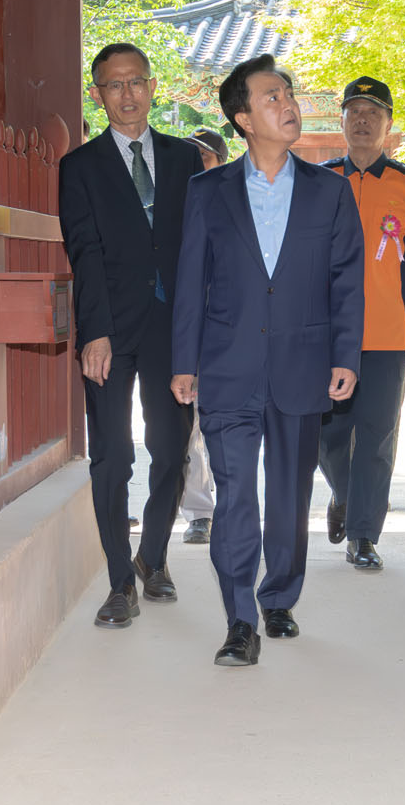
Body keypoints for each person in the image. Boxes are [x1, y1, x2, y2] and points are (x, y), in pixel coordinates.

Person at [171, 53, 364, 667]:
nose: (288, 104)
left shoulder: (330, 191)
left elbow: (346, 280)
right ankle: (239, 620)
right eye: (271, 97)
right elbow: (190, 281)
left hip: (303, 364)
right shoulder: (207, 192)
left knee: (287, 494)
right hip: (228, 365)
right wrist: (183, 362)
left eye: (288, 93)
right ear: (244, 119)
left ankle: (279, 596)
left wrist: (346, 355)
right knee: (235, 496)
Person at [58, 43, 204, 630]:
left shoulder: (185, 158)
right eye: (114, 85)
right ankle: (120, 580)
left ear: (152, 86)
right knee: (113, 455)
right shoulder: (80, 166)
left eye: (136, 81)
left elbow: (199, 248)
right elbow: (84, 251)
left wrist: (200, 330)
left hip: (172, 329)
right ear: (98, 94)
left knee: (171, 449)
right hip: (110, 331)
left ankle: (154, 555)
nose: (127, 94)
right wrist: (94, 331)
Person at [318, 77, 405, 571]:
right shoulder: (318, 181)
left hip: (386, 331)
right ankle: (345, 494)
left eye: (373, 114)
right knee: (326, 432)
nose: (363, 121)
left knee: (378, 435)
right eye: (354, 112)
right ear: (341, 120)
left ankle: (363, 535)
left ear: (388, 125)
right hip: (325, 334)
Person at [176, 126, 229, 544]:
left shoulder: (236, 204)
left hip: (229, 335)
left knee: (225, 430)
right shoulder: (173, 203)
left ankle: (232, 508)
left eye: (204, 156)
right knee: (186, 428)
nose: (194, 163)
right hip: (187, 334)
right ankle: (199, 512)